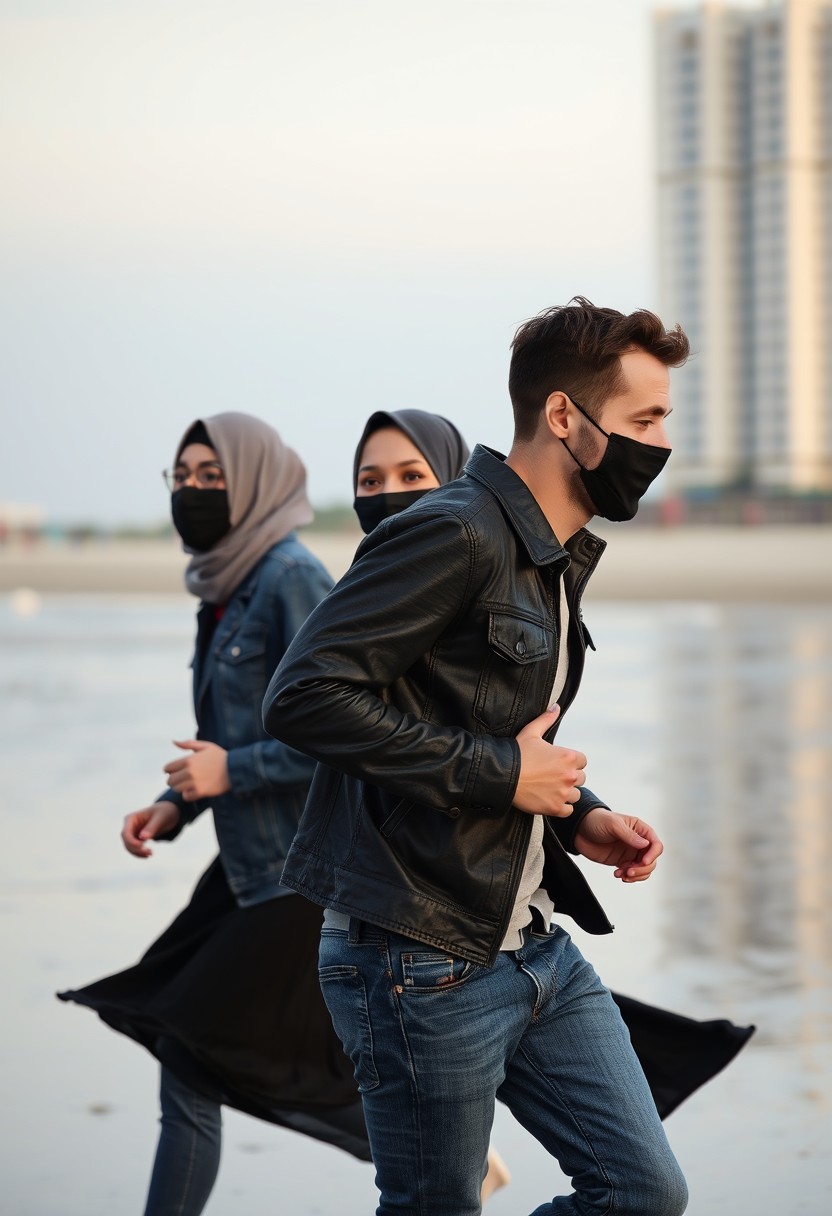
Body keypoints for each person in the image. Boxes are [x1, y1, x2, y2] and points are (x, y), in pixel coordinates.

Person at [263, 299, 702, 1215]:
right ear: (563, 418)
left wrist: (582, 814)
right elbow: (305, 696)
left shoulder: (548, 553)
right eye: (646, 421)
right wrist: (505, 775)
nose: (663, 444)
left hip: (535, 948)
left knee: (644, 1192)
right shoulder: (454, 530)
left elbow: (486, 716)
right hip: (418, 958)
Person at [58, 413, 371, 1216]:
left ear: (256, 481)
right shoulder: (226, 590)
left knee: (196, 1054)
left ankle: (435, 1144)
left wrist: (226, 771)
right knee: (215, 1050)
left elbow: (342, 735)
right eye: (183, 479)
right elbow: (232, 738)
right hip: (243, 867)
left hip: (299, 870)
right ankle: (431, 1144)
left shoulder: (291, 576)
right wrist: (175, 802)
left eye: (213, 477)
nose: (194, 492)